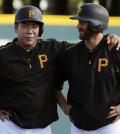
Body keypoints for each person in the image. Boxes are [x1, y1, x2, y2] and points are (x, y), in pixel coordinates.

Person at [0, 4, 119, 134]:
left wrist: (110, 36)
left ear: (40, 29)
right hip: (9, 125)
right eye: (25, 26)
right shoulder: (3, 54)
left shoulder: (52, 48)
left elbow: (91, 46)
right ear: (16, 27)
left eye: (34, 26)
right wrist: (64, 105)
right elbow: (57, 84)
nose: (30, 31)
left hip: (43, 127)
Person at [57, 3, 120, 134]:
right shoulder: (70, 54)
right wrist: (64, 106)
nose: (78, 26)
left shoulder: (115, 50)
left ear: (97, 24)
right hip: (78, 126)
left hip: (109, 126)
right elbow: (55, 84)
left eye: (83, 22)